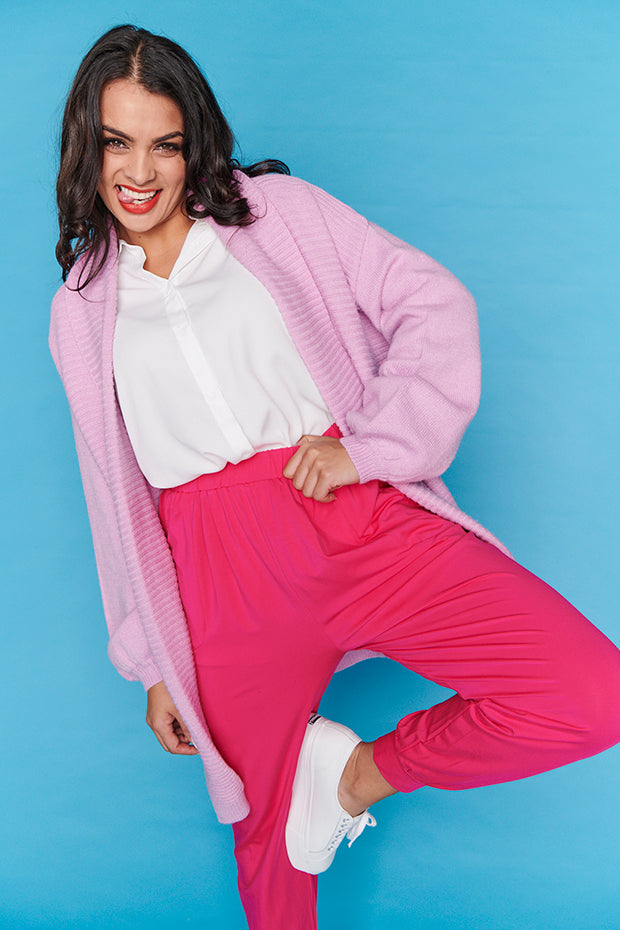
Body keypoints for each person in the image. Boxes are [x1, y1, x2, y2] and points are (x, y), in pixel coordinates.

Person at [50, 24, 620, 930]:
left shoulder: (275, 214)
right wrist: (154, 660)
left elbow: (431, 301)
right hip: (220, 578)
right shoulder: (80, 307)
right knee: (272, 874)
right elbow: (110, 495)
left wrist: (373, 445)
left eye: (167, 144)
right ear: (88, 144)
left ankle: (351, 778)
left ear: (195, 145)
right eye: (118, 142)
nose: (141, 172)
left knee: (589, 693)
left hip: (347, 516)